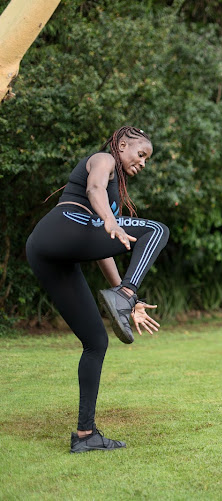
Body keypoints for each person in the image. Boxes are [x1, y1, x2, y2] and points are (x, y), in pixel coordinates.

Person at [26, 126, 170, 453]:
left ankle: (85, 435)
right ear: (122, 145)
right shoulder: (103, 159)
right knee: (156, 230)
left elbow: (102, 248)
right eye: (141, 154)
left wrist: (124, 294)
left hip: (46, 253)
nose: (144, 163)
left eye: (148, 159)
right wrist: (110, 219)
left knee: (96, 342)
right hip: (63, 227)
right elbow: (93, 189)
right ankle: (127, 293)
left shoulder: (114, 196)